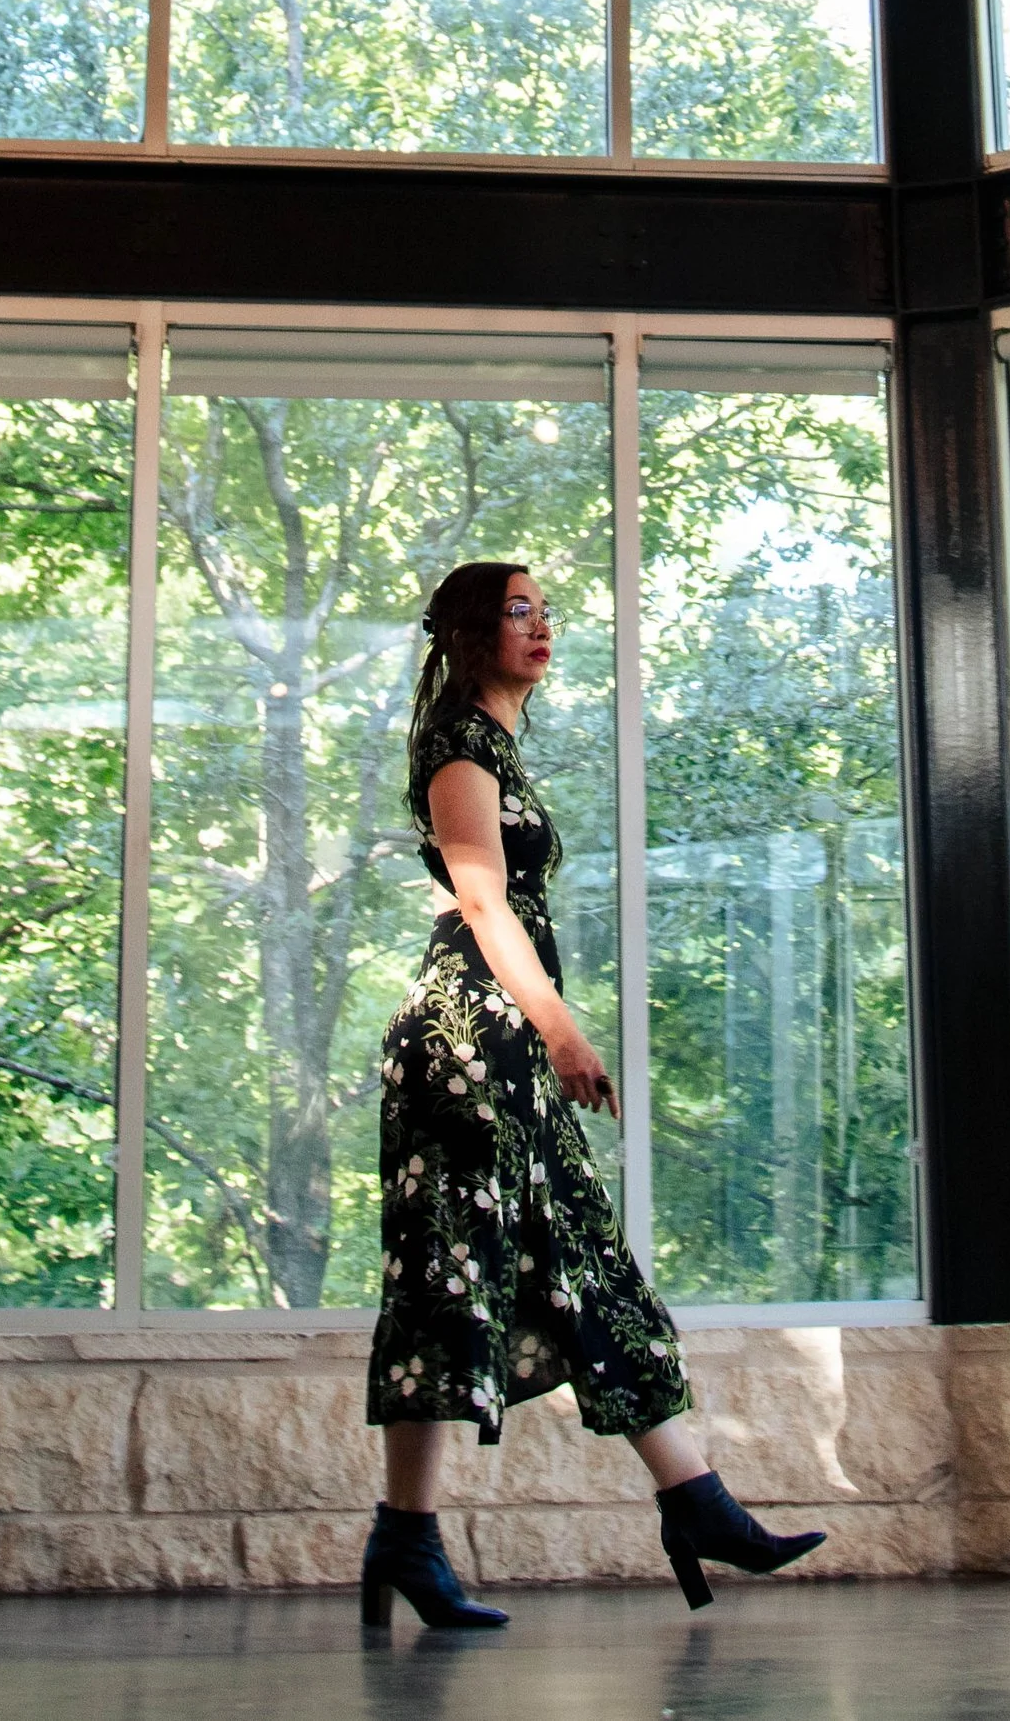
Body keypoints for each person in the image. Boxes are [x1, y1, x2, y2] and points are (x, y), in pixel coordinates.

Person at [362, 559, 825, 1627]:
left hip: (497, 1041)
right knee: (465, 1275)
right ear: (471, 631)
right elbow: (483, 902)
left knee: (554, 1262)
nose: (542, 626)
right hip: (465, 1043)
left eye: (545, 610)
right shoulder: (458, 747)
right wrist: (561, 1030)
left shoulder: (493, 746)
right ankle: (677, 1504)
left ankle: (679, 1502)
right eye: (518, 610)